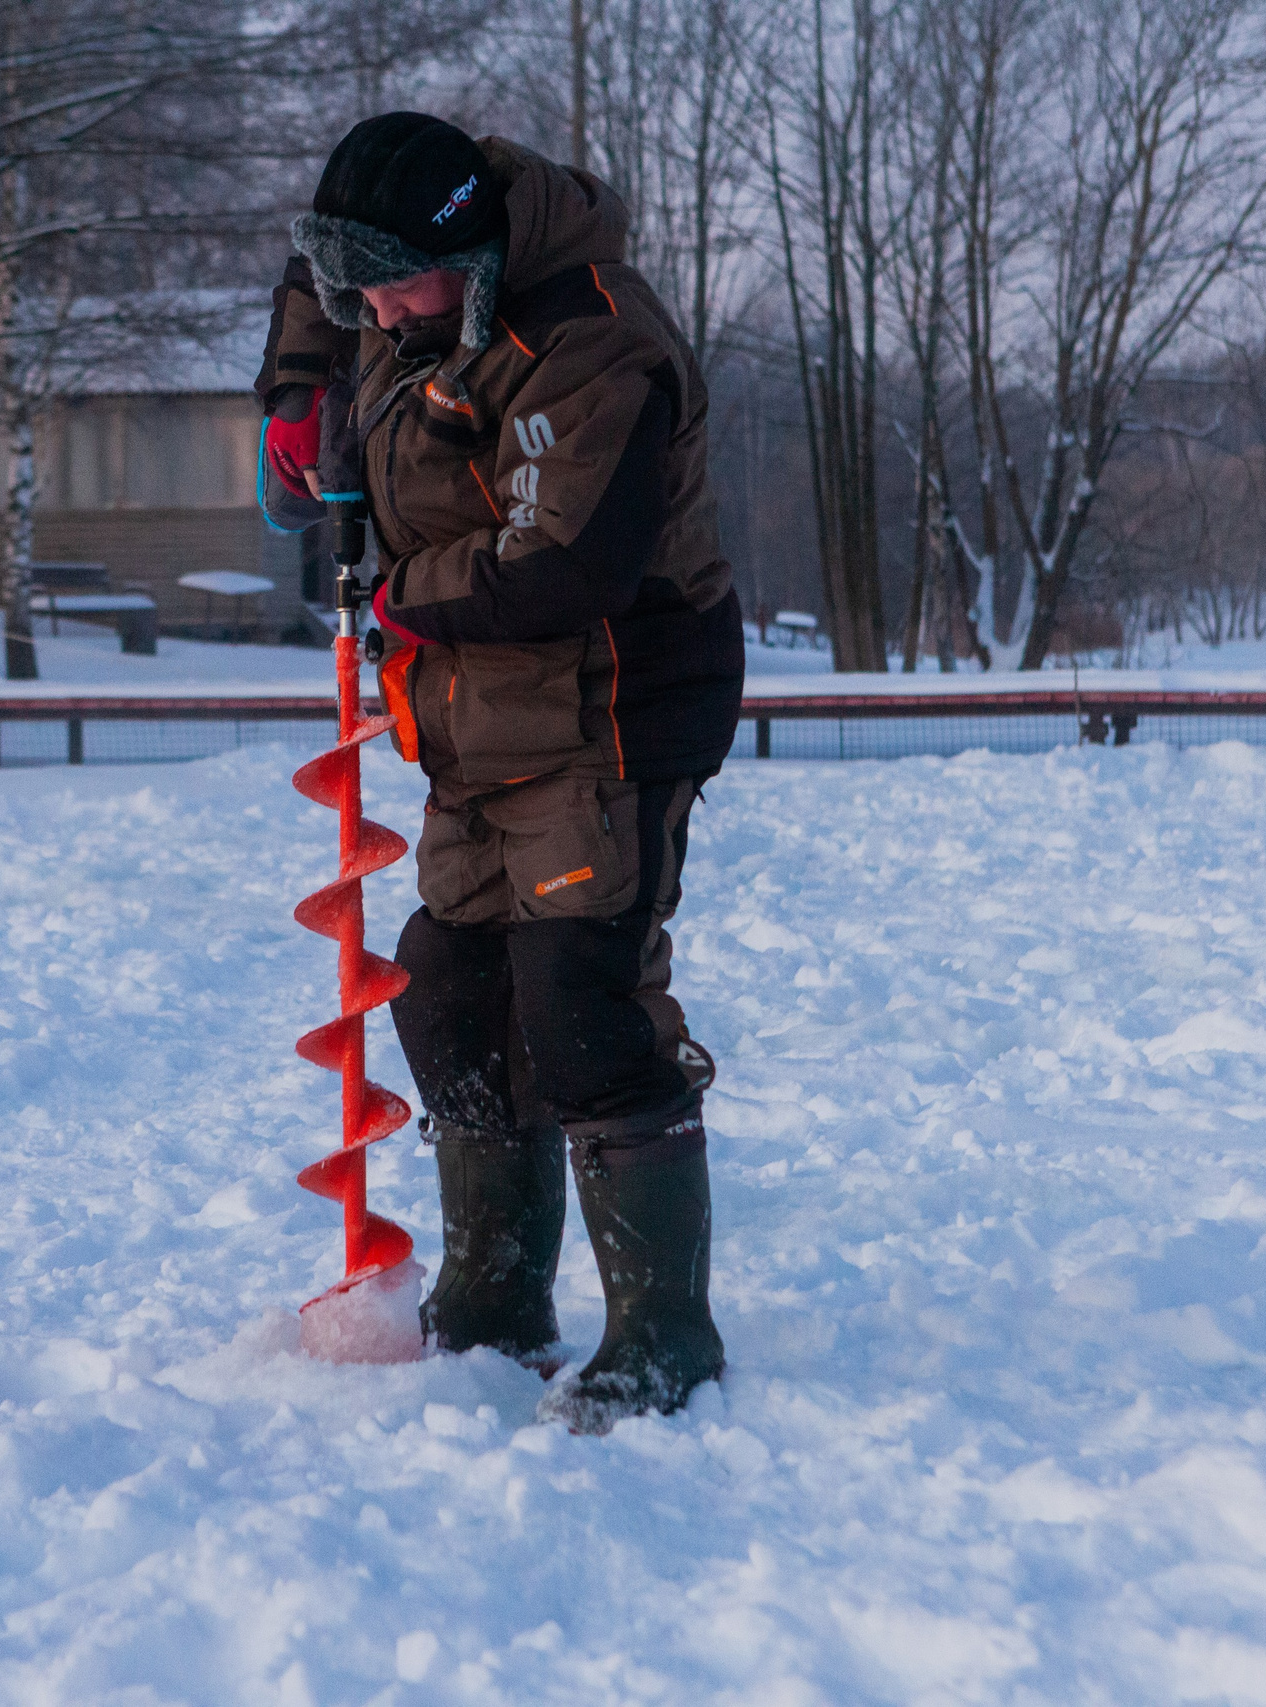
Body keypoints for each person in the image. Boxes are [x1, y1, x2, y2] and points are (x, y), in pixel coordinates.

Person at [254, 113, 745, 1432]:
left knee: (581, 997)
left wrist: (396, 592)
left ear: (468, 254)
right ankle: (494, 1302)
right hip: (473, 715)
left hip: (612, 709)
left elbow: (562, 564)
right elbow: (320, 281)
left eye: (390, 286)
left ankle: (665, 1335)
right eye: (356, 289)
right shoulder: (405, 292)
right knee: (450, 984)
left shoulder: (596, 347)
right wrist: (294, 394)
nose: (371, 312)